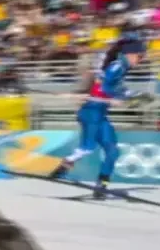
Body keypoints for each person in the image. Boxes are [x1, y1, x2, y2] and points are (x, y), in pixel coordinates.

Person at [47, 36, 153, 198]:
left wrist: (132, 95)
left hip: (100, 112)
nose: (141, 60)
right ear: (130, 54)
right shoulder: (116, 66)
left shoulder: (121, 68)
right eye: (140, 56)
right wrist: (117, 96)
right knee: (87, 147)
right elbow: (105, 86)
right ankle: (64, 166)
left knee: (112, 151)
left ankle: (101, 185)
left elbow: (114, 87)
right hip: (91, 111)